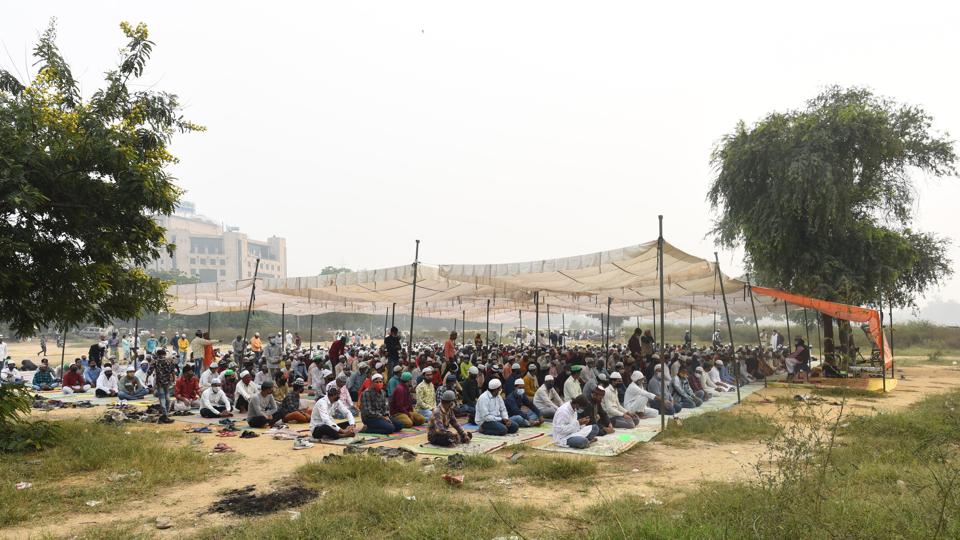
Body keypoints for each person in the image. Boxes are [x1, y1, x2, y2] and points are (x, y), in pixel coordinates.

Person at [148, 350, 177, 423]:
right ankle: (165, 415)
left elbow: (149, 372)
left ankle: (165, 415)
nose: (162, 357)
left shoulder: (156, 361)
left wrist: (173, 379)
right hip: (164, 383)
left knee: (164, 399)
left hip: (162, 383)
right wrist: (173, 379)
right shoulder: (167, 361)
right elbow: (172, 371)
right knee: (165, 399)